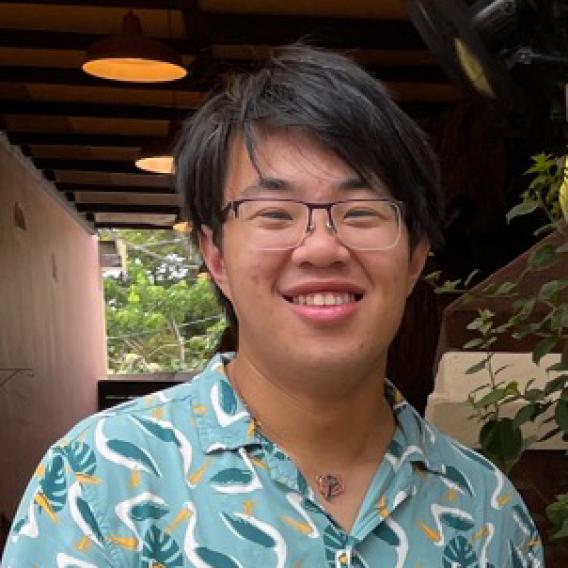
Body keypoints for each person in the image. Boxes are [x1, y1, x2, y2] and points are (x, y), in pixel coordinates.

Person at [2, 45, 543, 568]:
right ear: (216, 255)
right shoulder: (100, 478)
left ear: (415, 256)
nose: (322, 247)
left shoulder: (486, 512)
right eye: (274, 212)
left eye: (360, 211)